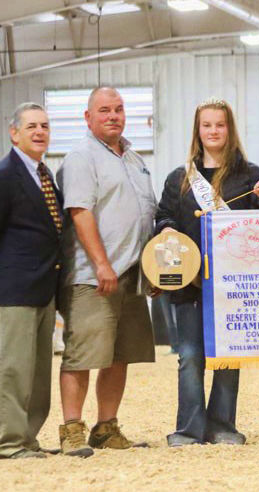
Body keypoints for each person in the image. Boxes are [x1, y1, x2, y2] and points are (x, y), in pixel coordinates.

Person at [154, 99, 259, 447]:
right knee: (191, 355)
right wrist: (166, 229)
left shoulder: (253, 176)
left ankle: (223, 424)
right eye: (207, 125)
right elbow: (163, 216)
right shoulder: (179, 179)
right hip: (189, 282)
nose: (213, 131)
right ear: (198, 130)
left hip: (233, 284)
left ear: (230, 129)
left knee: (229, 354)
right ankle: (189, 429)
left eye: (220, 125)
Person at [56, 87, 158, 455]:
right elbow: (79, 212)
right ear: (88, 118)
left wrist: (153, 272)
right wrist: (101, 263)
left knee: (120, 354)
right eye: (104, 110)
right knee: (84, 353)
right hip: (93, 276)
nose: (113, 116)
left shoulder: (134, 158)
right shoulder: (82, 157)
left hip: (131, 274)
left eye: (118, 109)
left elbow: (146, 218)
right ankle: (71, 430)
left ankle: (106, 427)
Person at [0, 103, 66, 459]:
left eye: (44, 126)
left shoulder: (44, 174)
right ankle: (8, 442)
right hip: (14, 290)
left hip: (43, 287)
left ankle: (29, 437)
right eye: (31, 127)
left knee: (40, 369)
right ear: (14, 133)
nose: (39, 132)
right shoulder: (6, 175)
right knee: (13, 368)